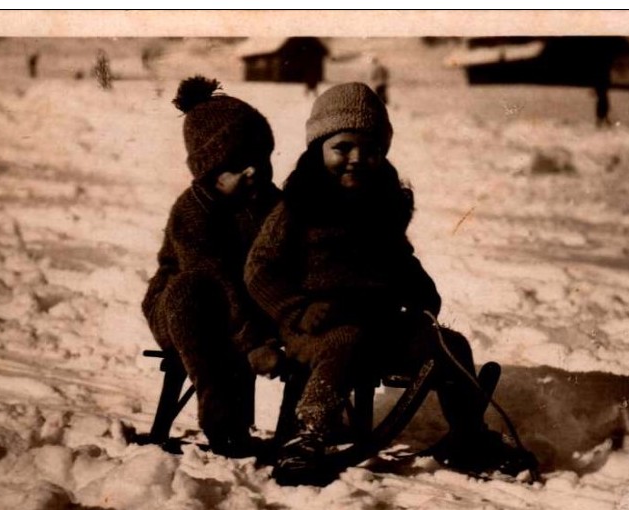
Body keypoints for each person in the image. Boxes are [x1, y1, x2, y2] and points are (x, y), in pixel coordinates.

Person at [245, 83, 531, 485]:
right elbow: (259, 268)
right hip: (318, 326)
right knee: (343, 341)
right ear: (318, 148)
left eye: (371, 149)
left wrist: (420, 291)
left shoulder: (381, 204)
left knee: (451, 345)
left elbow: (399, 259)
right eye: (343, 147)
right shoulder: (296, 208)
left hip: (379, 324)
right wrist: (297, 310)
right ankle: (307, 435)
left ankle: (469, 434)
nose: (358, 159)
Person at [142, 76, 284, 457]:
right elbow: (214, 277)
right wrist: (253, 340)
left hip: (245, 302)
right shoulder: (192, 212)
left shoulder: (269, 203)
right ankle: (222, 423)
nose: (254, 170)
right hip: (184, 307)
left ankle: (303, 425)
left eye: (261, 158)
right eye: (239, 164)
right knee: (193, 293)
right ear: (208, 170)